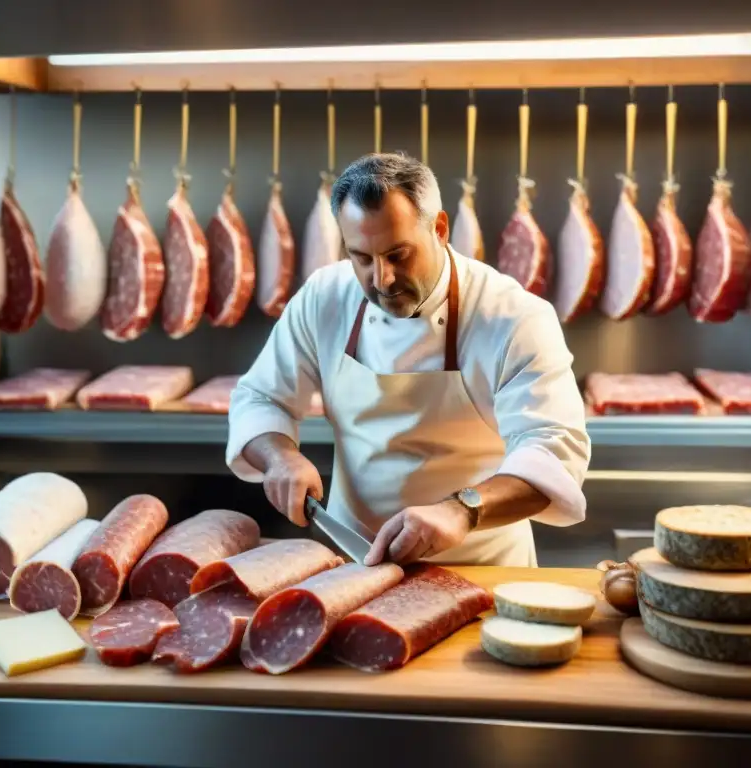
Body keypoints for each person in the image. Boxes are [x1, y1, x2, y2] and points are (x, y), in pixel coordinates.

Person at [226, 152, 590, 567]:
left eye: (398, 255)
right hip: (353, 563)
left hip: (480, 566)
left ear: (439, 228)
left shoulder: (512, 317)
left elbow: (553, 452)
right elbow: (260, 398)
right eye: (361, 258)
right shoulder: (325, 297)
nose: (381, 279)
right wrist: (280, 457)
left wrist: (462, 509)